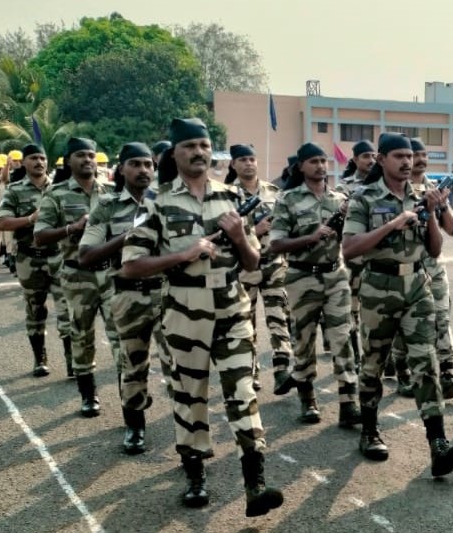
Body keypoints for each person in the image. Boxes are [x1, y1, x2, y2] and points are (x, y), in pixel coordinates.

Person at [122, 118, 283, 516]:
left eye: (205, 145)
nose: (199, 152)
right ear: (173, 154)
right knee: (189, 397)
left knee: (244, 393)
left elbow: (254, 263)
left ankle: (255, 483)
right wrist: (183, 255)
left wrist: (242, 237)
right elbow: (131, 265)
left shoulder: (231, 199)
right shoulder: (157, 204)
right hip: (184, 314)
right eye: (190, 146)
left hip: (231, 309)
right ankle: (195, 475)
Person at [341, 132, 453, 476]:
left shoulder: (420, 195)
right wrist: (394, 224)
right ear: (381, 159)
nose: (406, 161)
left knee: (425, 362)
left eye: (409, 156)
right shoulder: (364, 198)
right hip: (378, 288)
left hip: (417, 286)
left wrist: (430, 213)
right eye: (398, 155)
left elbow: (435, 250)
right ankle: (369, 431)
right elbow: (350, 248)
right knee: (373, 363)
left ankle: (438, 445)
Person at [79, 142, 171, 455]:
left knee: (181, 363)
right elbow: (86, 255)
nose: (143, 170)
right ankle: (134, 425)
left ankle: (189, 427)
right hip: (127, 296)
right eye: (135, 164)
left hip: (168, 294)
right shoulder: (106, 206)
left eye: (148, 164)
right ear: (121, 169)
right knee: (132, 365)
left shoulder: (168, 202)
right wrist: (130, 235)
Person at [269, 143, 361, 427]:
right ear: (301, 166)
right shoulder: (288, 199)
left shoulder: (339, 199)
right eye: (313, 161)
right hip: (301, 277)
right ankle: (308, 399)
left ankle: (348, 402)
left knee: (342, 337)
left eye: (323, 161)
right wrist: (310, 237)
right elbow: (276, 243)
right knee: (304, 338)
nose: (321, 166)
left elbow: (353, 236)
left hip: (335, 276)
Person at [34, 137, 119, 418]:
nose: (87, 160)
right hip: (76, 273)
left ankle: (127, 396)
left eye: (91, 155)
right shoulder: (56, 194)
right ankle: (88, 394)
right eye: (81, 155)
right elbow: (40, 235)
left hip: (110, 272)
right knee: (81, 336)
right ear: (68, 160)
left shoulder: (112, 192)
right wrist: (71, 228)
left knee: (120, 335)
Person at [389, 137, 453, 399]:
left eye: (424, 155)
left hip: (433, 267)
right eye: (415, 155)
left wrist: (440, 205)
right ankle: (403, 373)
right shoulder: (395, 189)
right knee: (403, 325)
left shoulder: (435, 187)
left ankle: (447, 371)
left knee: (442, 318)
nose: (420, 160)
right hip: (405, 267)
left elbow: (451, 227)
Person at [226, 143, 295, 394]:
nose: (248, 164)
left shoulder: (274, 192)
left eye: (252, 159)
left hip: (274, 264)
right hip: (245, 268)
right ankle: (251, 372)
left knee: (279, 317)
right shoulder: (226, 195)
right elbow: (222, 235)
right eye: (242, 159)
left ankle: (281, 368)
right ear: (233, 164)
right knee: (247, 322)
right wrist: (253, 232)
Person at [0, 144, 61, 377]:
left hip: (58, 256)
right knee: (36, 310)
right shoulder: (14, 190)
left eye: (43, 158)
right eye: (34, 158)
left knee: (67, 310)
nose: (39, 162)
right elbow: (2, 222)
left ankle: (74, 361)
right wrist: (30, 219)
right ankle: (40, 358)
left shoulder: (59, 189)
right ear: (23, 162)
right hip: (29, 258)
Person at [338, 140, 375, 359]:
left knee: (378, 310)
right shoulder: (344, 187)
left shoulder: (385, 183)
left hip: (377, 256)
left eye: (373, 156)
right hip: (353, 259)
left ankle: (385, 358)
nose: (370, 160)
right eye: (365, 156)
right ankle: (356, 357)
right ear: (355, 160)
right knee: (351, 310)